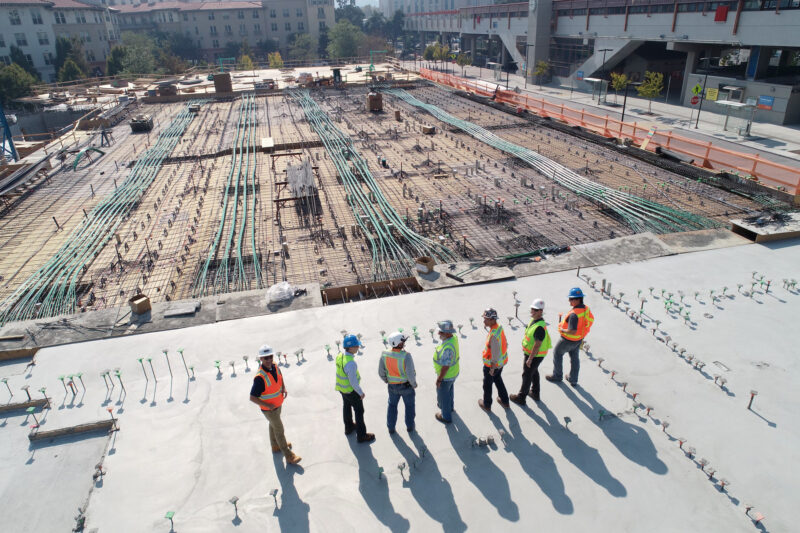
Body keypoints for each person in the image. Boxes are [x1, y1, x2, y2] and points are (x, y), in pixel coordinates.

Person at [249, 345, 302, 465]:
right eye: (265, 358)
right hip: (269, 409)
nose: (268, 360)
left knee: (273, 425)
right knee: (279, 429)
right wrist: (267, 406)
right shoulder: (259, 378)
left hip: (278, 404)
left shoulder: (275, 366)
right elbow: (252, 397)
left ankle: (275, 446)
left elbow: (280, 377)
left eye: (270, 357)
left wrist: (283, 387)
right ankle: (289, 456)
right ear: (261, 359)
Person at [547, 288, 594, 386]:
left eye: (571, 299)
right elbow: (589, 321)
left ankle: (557, 376)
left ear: (577, 300)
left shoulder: (574, 314)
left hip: (567, 340)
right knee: (575, 358)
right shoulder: (586, 309)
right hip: (579, 339)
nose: (569, 301)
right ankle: (573, 379)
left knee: (557, 353)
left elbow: (572, 331)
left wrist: (562, 329)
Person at [335, 334, 375, 443]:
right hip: (351, 391)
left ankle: (349, 427)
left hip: (341, 389)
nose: (358, 347)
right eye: (356, 346)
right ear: (351, 347)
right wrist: (360, 393)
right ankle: (362, 435)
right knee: (359, 411)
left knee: (346, 406)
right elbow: (353, 382)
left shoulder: (340, 356)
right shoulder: (351, 363)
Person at [510, 299, 551, 405]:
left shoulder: (539, 327)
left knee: (527, 375)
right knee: (534, 372)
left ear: (541, 311)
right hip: (534, 354)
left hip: (535, 355)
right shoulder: (535, 321)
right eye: (532, 309)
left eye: (535, 310)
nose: (532, 311)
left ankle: (521, 397)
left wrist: (530, 358)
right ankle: (535, 392)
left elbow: (537, 345)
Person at [378, 331, 418, 433]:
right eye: (403, 341)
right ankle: (410, 426)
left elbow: (381, 372)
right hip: (406, 387)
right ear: (399, 344)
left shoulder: (384, 354)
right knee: (409, 406)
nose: (404, 343)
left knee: (392, 406)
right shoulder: (406, 356)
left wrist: (386, 380)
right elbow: (410, 374)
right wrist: (414, 384)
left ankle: (391, 427)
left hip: (392, 386)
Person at [478, 308, 510, 411]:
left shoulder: (493, 335)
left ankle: (487, 405)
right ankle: (505, 401)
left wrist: (491, 369)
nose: (484, 321)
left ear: (492, 320)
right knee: (498, 379)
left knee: (487, 385)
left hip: (492, 366)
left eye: (486, 319)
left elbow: (495, 354)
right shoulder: (498, 328)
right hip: (501, 364)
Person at [433, 320, 459, 423]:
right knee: (449, 391)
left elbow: (445, 366)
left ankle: (446, 416)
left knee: (443, 396)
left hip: (446, 376)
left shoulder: (448, 348)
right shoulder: (453, 338)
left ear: (448, 333)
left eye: (441, 332)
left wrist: (439, 380)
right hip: (453, 373)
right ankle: (450, 408)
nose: (439, 333)